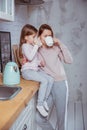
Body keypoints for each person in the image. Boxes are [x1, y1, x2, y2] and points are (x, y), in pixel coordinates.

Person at [36, 24, 73, 130]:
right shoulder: (36, 50)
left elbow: (69, 60)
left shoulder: (56, 48)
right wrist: (36, 46)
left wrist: (61, 44)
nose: (48, 38)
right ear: (40, 36)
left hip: (60, 84)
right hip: (47, 86)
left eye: (50, 35)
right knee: (38, 118)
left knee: (61, 117)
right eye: (45, 35)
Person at [19, 24, 54, 117]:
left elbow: (33, 60)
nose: (35, 39)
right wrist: (36, 46)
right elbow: (30, 58)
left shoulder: (31, 46)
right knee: (44, 81)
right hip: (27, 72)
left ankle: (44, 100)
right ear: (26, 37)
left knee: (50, 79)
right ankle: (39, 104)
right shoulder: (25, 46)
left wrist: (39, 62)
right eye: (33, 36)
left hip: (34, 70)